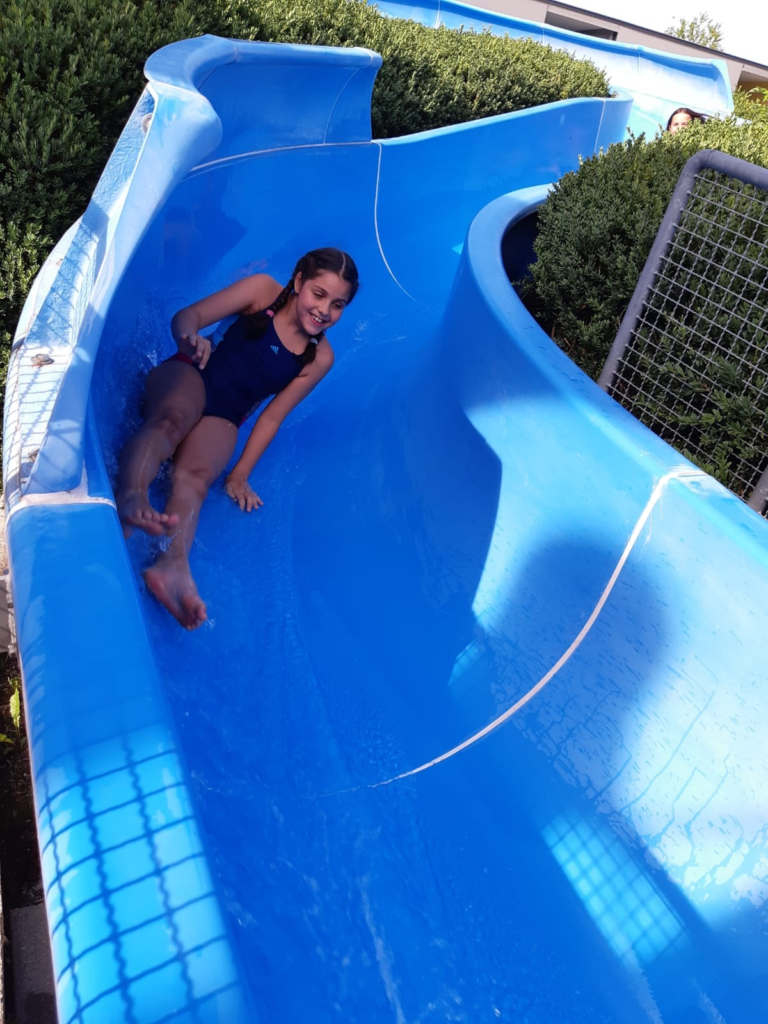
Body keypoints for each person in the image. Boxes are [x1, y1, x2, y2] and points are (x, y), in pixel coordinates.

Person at [116, 247, 359, 630]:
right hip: (192, 374)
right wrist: (189, 339)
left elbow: (273, 416)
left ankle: (172, 565)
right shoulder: (262, 292)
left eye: (338, 304)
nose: (325, 310)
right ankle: (132, 495)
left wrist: (240, 474)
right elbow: (188, 316)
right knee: (171, 421)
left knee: (196, 478)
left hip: (225, 415)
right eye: (319, 294)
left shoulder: (319, 357)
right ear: (299, 282)